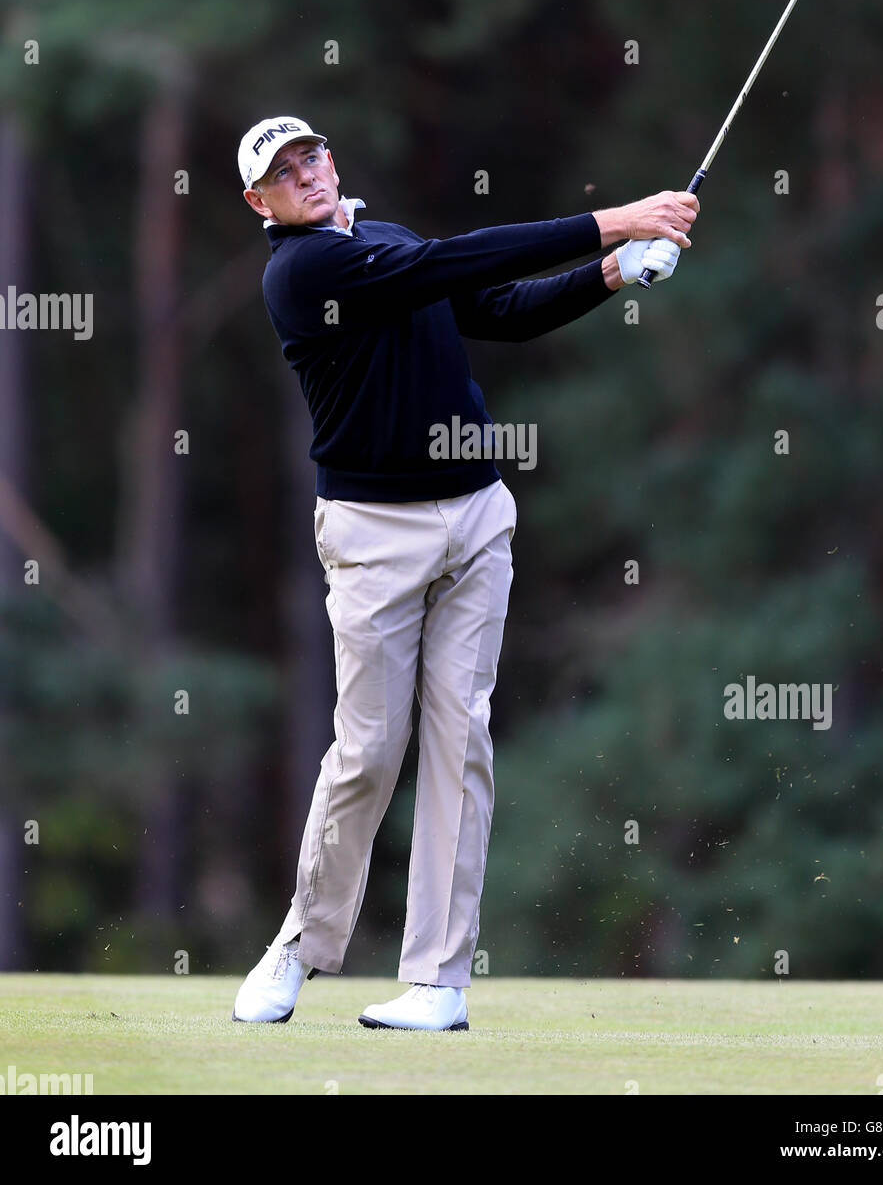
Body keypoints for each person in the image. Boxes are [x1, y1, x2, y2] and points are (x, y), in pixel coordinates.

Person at [231, 115, 698, 1030]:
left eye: (313, 155)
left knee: (461, 741)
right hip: (373, 533)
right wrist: (615, 221)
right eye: (283, 173)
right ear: (261, 202)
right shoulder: (302, 273)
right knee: (367, 751)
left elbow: (502, 311)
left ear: (332, 157)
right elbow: (457, 263)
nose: (307, 174)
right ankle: (300, 946)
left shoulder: (387, 238)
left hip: (477, 515)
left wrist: (609, 276)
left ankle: (440, 981)